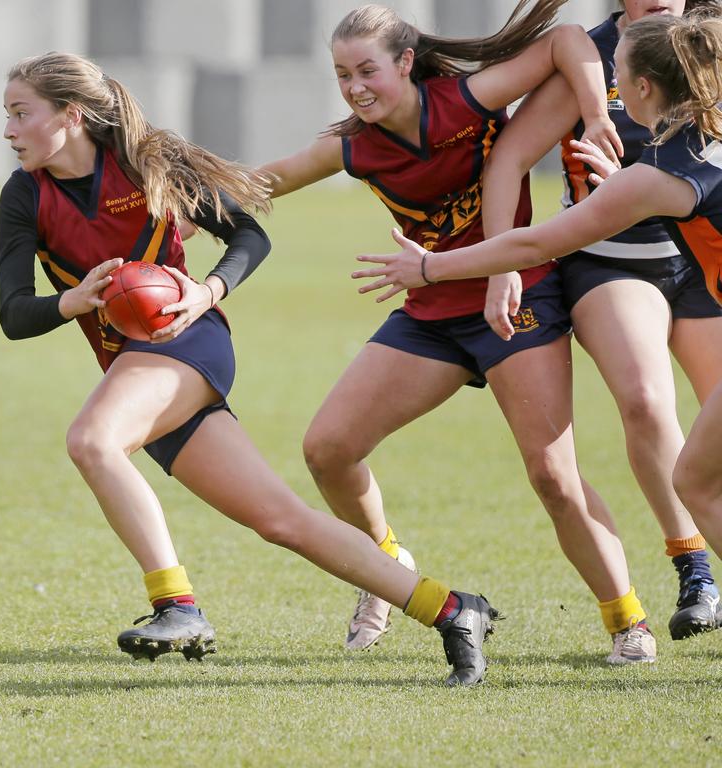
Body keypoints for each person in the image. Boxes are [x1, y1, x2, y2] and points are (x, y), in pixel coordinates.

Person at [0, 51, 499, 686]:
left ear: (70, 115)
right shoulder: (23, 196)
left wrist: (207, 291)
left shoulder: (146, 163)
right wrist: (72, 301)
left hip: (190, 341)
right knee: (282, 521)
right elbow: (13, 313)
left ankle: (177, 606)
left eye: (21, 113)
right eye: (6, 116)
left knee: (93, 441)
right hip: (134, 367)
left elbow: (248, 237)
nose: (9, 130)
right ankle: (453, 610)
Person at [257, 0, 659, 664]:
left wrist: (594, 112)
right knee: (328, 449)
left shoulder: (466, 100)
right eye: (342, 75)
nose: (356, 88)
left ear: (407, 63)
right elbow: (264, 181)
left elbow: (564, 38)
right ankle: (385, 566)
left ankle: (628, 622)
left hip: (519, 303)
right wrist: (177, 208)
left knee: (553, 477)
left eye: (368, 71)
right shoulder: (355, 148)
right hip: (433, 314)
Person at [356, 10, 722, 629]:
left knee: (699, 482)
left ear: (639, 91)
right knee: (694, 474)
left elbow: (532, 246)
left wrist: (430, 270)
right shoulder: (686, 146)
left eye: (617, 80)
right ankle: (694, 578)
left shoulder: (655, 178)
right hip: (622, 257)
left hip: (648, 257)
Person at [471, 0, 722, 642]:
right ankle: (694, 566)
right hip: (613, 264)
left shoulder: (708, 45)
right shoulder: (594, 55)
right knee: (643, 400)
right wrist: (502, 266)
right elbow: (507, 160)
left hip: (697, 254)